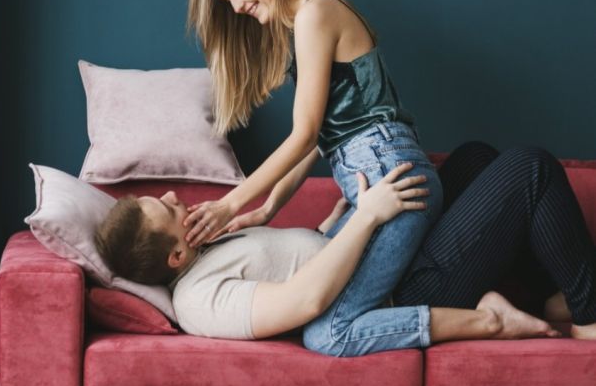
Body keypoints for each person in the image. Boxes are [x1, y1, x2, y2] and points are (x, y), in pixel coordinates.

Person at [183, 0, 444, 355]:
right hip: (374, 169)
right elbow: (324, 138)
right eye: (227, 0)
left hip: (386, 174)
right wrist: (268, 208)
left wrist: (231, 202)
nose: (237, 6)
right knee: (314, 294)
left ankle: (488, 321)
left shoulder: (315, 12)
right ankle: (477, 305)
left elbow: (303, 136)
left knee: (327, 332)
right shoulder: (307, 17)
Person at [95, 143, 596, 356]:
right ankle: (588, 316)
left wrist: (334, 224)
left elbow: (298, 261)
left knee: (474, 160)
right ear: (174, 257)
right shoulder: (198, 301)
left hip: (379, 261)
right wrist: (371, 216)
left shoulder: (209, 248)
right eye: (165, 209)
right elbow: (305, 302)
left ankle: (544, 294)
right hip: (399, 290)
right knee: (529, 169)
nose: (170, 196)